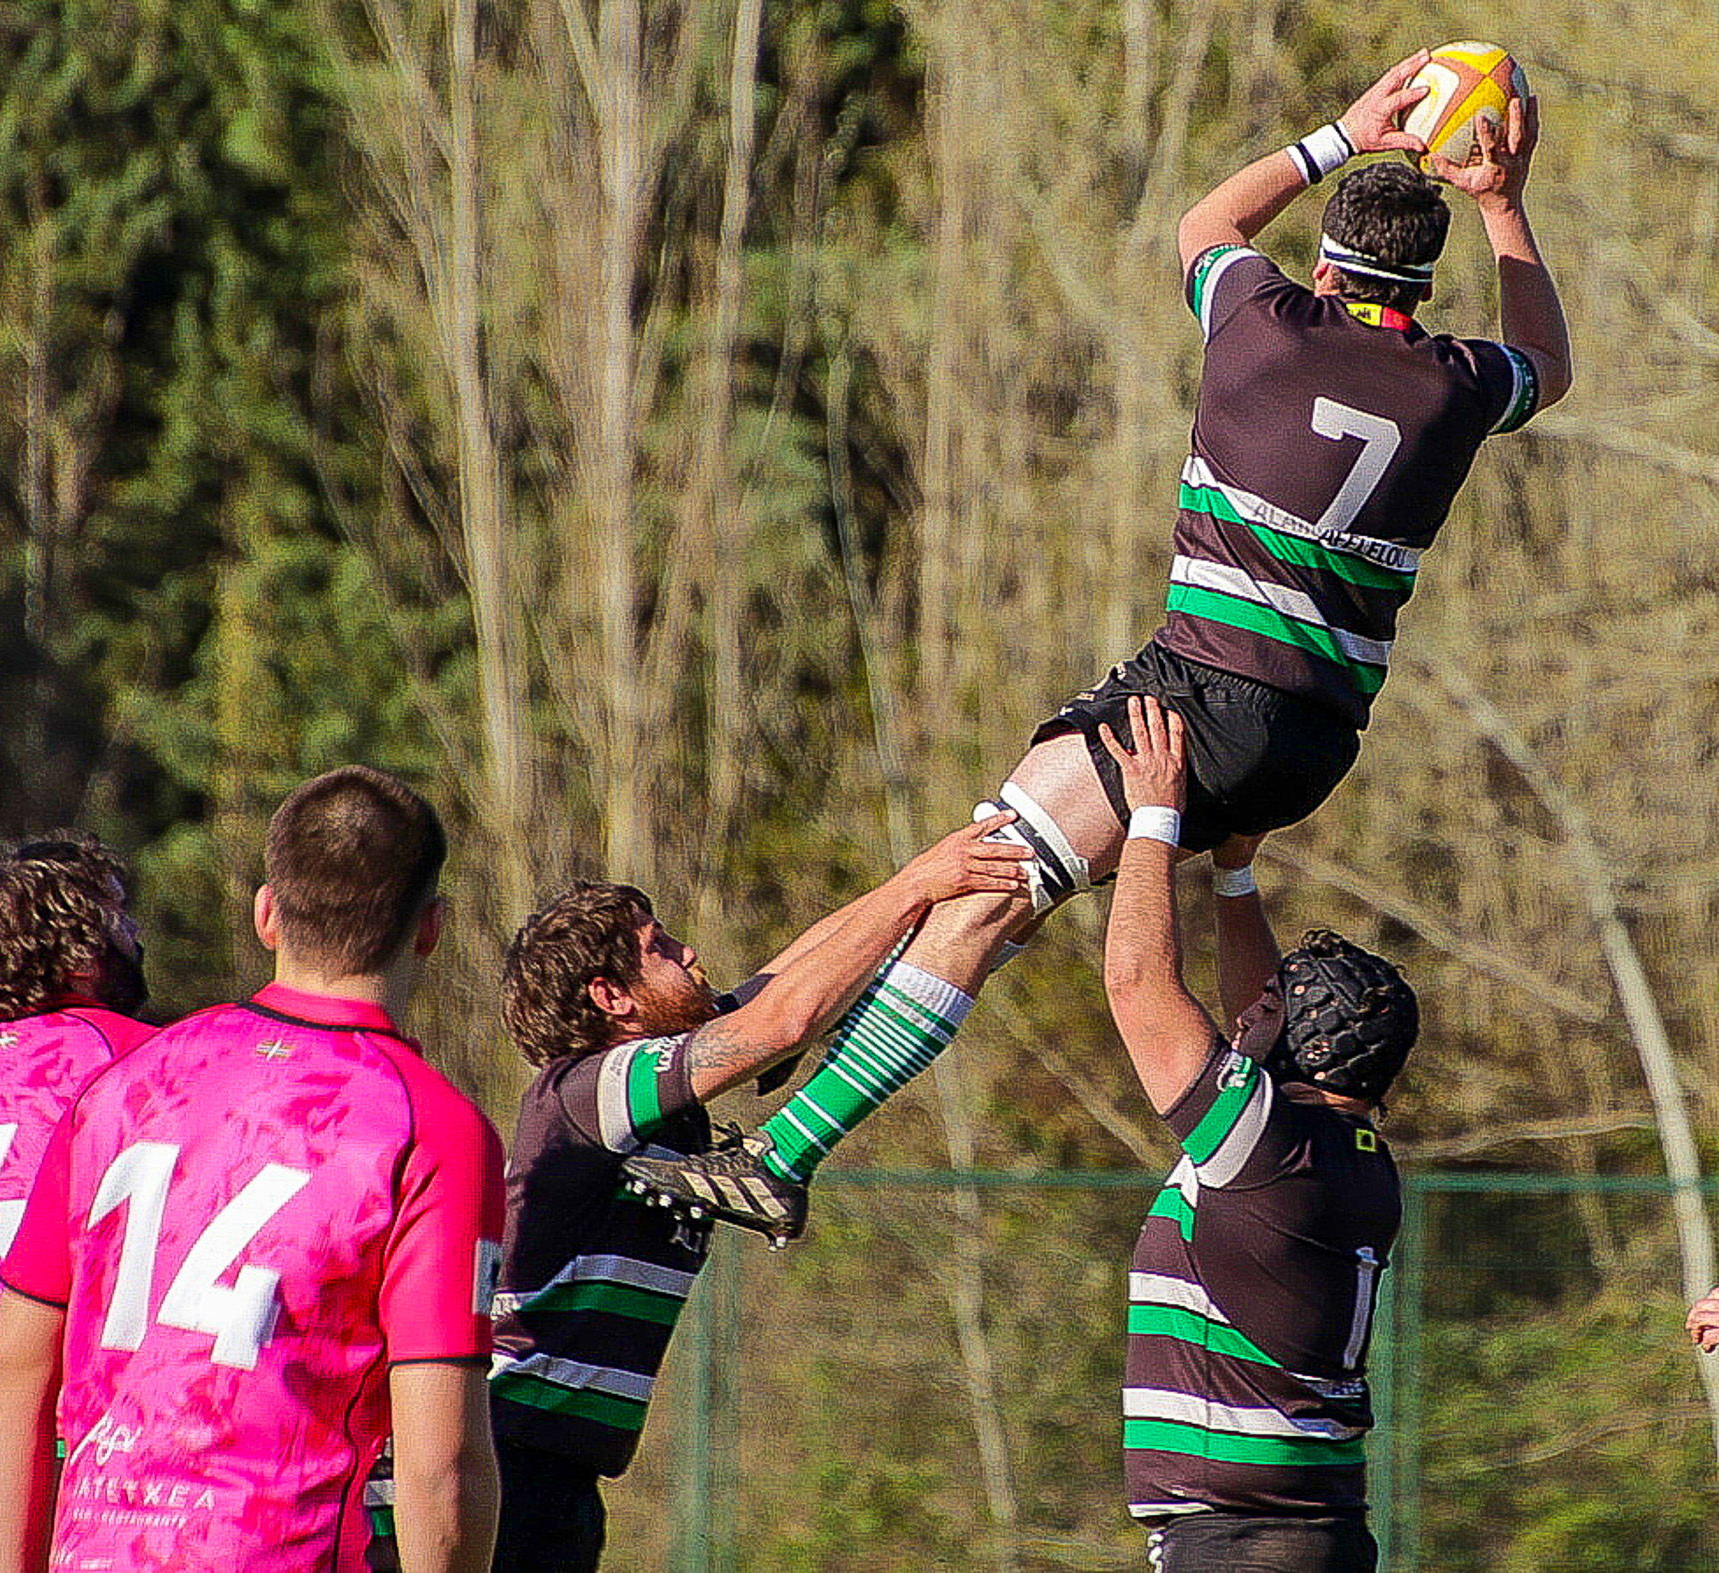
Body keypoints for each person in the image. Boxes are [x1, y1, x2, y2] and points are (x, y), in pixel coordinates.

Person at [621, 48, 1567, 1237]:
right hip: (1317, 742)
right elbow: (1550, 366)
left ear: (1324, 267)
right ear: (1422, 290)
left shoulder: (1263, 326)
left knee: (983, 881)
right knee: (1004, 896)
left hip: (1199, 695)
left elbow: (1204, 223)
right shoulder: (1458, 386)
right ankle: (808, 1063)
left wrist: (1341, 132)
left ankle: (786, 1143)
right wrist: (1503, 203)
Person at [0, 767, 505, 1573]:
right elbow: (443, 1470)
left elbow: (12, 1374)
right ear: (430, 928)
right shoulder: (431, 1130)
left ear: (266, 913)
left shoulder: (123, 1087)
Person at [487, 818, 1030, 1571]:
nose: (689, 953)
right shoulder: (583, 1091)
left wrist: (949, 893)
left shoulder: (662, 1095)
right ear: (611, 997)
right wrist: (919, 884)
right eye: (660, 946)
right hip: (502, 1461)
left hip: (558, 1476)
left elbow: (791, 980)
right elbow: (783, 1021)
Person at [1102, 696, 1417, 1571]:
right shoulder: (1347, 1154)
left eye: (1271, 1007)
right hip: (1308, 1532)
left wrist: (1154, 816)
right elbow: (1261, 1026)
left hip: (1242, 1542)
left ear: (1290, 1046)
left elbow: (1136, 985)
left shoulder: (1267, 1150)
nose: (1250, 1014)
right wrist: (1233, 875)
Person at [0, 835, 155, 1573]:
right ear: (82, 953)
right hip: (77, 1439)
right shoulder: (144, 1060)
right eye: (120, 915)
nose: (136, 935)